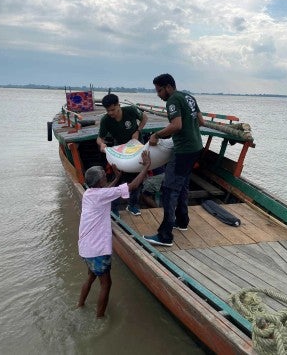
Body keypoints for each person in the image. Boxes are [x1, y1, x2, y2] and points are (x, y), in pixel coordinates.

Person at [77, 151, 151, 318]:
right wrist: (146, 166)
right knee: (106, 284)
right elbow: (131, 186)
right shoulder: (101, 194)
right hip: (97, 249)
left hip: (85, 247)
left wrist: (117, 178)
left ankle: (80, 304)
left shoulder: (89, 193)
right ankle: (99, 317)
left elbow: (107, 191)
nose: (106, 174)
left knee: (90, 277)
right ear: (99, 181)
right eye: (104, 175)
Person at [143, 74, 204, 246]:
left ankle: (165, 236)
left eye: (160, 90)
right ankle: (182, 221)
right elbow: (201, 121)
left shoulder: (172, 100)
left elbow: (176, 125)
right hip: (196, 148)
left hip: (184, 151)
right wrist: (188, 134)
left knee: (169, 190)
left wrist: (156, 134)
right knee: (183, 185)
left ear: (169, 87)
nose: (159, 94)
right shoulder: (188, 97)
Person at [97, 93, 148, 216]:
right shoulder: (106, 120)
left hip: (136, 148)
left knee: (138, 178)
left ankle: (132, 205)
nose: (111, 113)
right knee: (119, 178)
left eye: (113, 109)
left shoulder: (130, 111)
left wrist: (138, 131)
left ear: (119, 105)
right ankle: (114, 208)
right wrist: (102, 145)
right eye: (108, 111)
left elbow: (145, 118)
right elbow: (100, 138)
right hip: (120, 151)